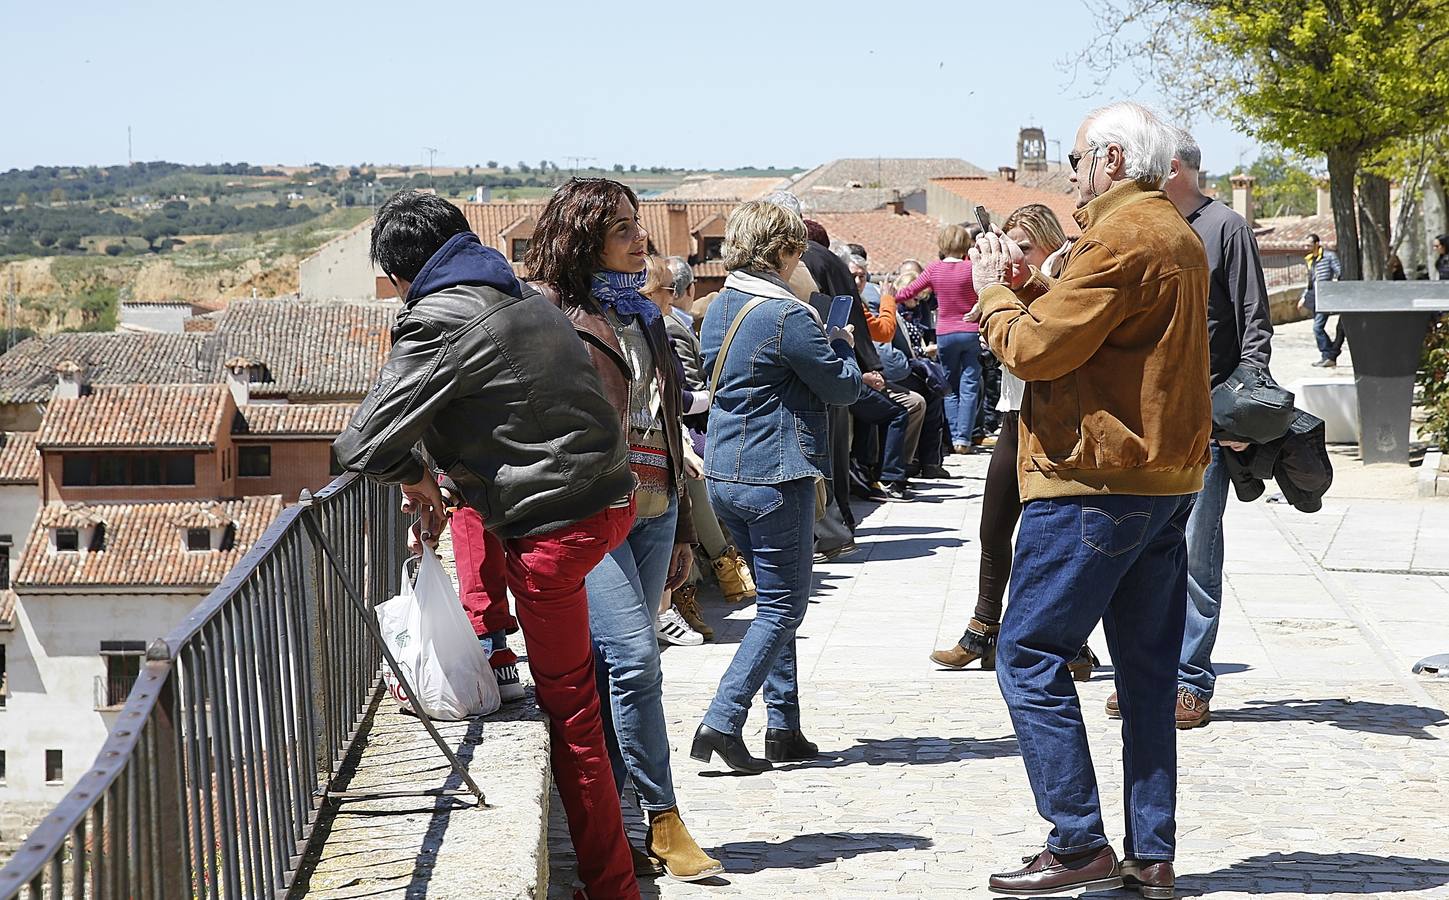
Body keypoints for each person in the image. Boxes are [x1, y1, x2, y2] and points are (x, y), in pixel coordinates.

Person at [333, 190, 641, 900]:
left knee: (573, 717)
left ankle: (613, 885)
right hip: (608, 504)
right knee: (590, 686)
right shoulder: (524, 296)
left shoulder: (439, 316)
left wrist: (414, 476)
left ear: (401, 275)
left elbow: (359, 444)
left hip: (553, 535)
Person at [972, 102, 1210, 898]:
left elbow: (1038, 350)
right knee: (1145, 676)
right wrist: (1037, 281)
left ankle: (1077, 842)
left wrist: (994, 299)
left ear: (1109, 158)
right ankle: (1152, 853)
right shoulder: (1170, 229)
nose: (1070, 177)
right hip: (1160, 484)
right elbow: (1112, 324)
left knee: (1028, 652)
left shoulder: (1117, 233)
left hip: (1095, 485)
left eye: (1076, 162)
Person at [523, 179, 721, 883]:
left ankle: (618, 823)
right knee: (637, 660)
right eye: (622, 231)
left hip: (654, 509)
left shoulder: (643, 313)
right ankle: (664, 817)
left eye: (640, 227)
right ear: (583, 239)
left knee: (614, 673)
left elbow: (664, 418)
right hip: (586, 515)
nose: (642, 241)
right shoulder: (546, 314)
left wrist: (684, 536)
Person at [1100, 128, 1274, 732]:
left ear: (1172, 167)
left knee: (1197, 554)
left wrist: (1240, 412)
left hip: (1206, 421)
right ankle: (1143, 675)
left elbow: (1255, 324)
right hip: (1144, 422)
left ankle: (1189, 681)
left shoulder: (1226, 228)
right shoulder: (1140, 229)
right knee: (1137, 554)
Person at [691, 200, 864, 774]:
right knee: (784, 609)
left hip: (724, 474)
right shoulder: (787, 316)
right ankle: (723, 717)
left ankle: (783, 727)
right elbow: (840, 389)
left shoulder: (721, 306)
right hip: (775, 473)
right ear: (784, 253)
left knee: (773, 600)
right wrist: (837, 339)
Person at [929, 203, 1096, 681]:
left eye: (1024, 247)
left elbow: (1054, 330)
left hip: (1054, 420)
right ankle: (983, 627)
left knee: (1050, 540)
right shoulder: (1013, 281)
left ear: (1047, 241)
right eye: (1010, 247)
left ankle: (1070, 641)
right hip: (1013, 411)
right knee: (993, 525)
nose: (1015, 257)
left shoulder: (1065, 270)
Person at [894, 224, 983, 454]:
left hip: (945, 333)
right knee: (970, 385)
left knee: (949, 387)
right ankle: (965, 438)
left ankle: (954, 437)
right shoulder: (972, 268)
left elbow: (907, 292)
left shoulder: (934, 269)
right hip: (971, 330)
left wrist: (889, 294)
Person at [1299, 233, 1344, 367]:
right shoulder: (1310, 259)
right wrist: (1303, 297)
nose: (1306, 247)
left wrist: (1334, 292)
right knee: (1318, 327)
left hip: (1325, 296)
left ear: (1317, 244)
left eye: (1309, 244)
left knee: (1317, 327)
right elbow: (1310, 281)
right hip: (1313, 296)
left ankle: (1328, 353)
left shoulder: (1329, 256)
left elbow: (1339, 273)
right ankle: (1328, 356)